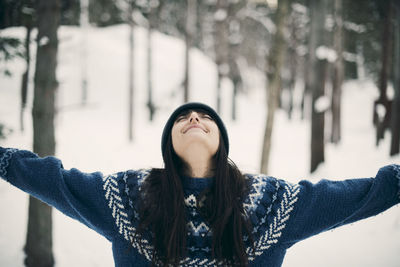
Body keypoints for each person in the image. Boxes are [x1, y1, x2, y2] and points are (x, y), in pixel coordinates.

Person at [0, 102, 399, 267]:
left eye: (204, 117)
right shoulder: (126, 197)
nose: (193, 118)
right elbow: (51, 179)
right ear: (168, 144)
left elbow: (361, 196)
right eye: (182, 118)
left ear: (221, 140)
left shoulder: (270, 202)